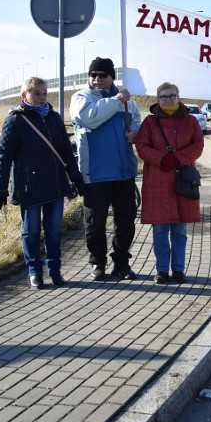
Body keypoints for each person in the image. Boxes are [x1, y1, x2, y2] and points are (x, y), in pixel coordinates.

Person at [0, 77, 85, 289]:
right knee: (31, 231)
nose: (42, 97)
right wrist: (0, 189)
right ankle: (34, 271)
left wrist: (76, 177)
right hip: (30, 186)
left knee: (53, 231)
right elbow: (3, 155)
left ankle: (55, 270)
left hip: (55, 184)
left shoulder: (53, 118)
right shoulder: (15, 121)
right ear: (24, 96)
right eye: (36, 93)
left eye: (44, 93)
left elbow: (65, 152)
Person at [69, 57, 142, 281]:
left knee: (125, 221)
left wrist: (135, 132)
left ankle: (121, 262)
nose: (97, 79)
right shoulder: (81, 97)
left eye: (103, 75)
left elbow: (137, 120)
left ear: (112, 77)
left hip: (123, 172)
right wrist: (116, 100)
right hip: (95, 174)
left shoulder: (127, 100)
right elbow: (90, 118)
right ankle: (98, 263)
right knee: (95, 223)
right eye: (93, 75)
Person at [135, 83, 204, 284]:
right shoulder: (149, 122)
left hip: (182, 181)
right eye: (163, 96)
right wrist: (161, 158)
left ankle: (179, 269)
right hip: (157, 181)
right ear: (157, 99)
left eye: (171, 96)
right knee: (160, 230)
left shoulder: (190, 121)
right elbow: (142, 146)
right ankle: (162, 270)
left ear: (178, 97)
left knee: (180, 230)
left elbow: (198, 145)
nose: (168, 99)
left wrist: (178, 158)